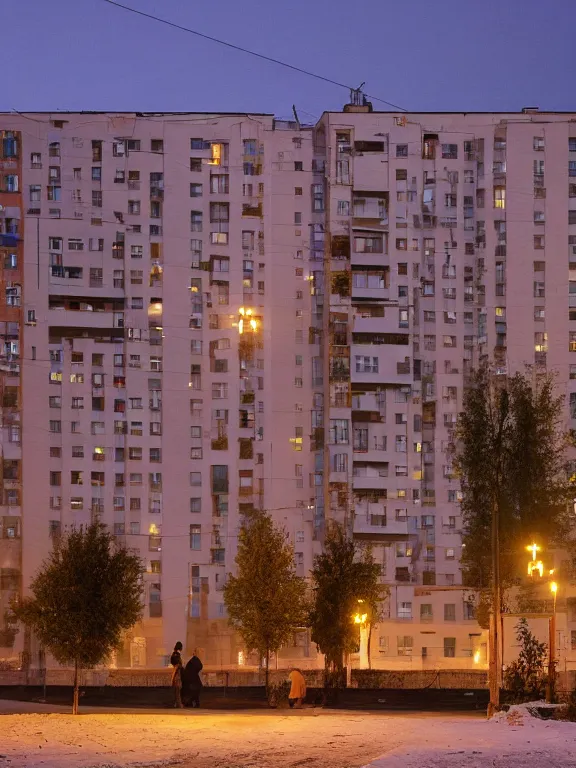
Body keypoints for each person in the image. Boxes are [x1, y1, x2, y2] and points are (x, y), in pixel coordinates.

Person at [170, 641, 184, 709]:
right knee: (178, 691)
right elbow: (176, 669)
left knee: (176, 691)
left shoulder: (174, 654)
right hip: (177, 677)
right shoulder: (177, 656)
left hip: (176, 676)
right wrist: (172, 679)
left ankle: (176, 704)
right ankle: (179, 704)